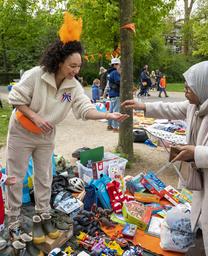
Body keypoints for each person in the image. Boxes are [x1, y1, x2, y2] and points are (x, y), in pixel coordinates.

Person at [6, 12, 128, 239]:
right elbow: (15, 98)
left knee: (45, 176)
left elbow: (84, 108)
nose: (76, 71)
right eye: (72, 65)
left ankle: (42, 217)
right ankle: (11, 219)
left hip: (45, 136)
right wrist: (35, 116)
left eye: (79, 66)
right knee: (16, 176)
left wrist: (107, 116)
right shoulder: (36, 75)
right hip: (21, 132)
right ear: (60, 61)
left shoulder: (73, 86)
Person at [122, 61, 208, 256]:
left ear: (205, 84)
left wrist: (197, 153)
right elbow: (175, 109)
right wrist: (142, 106)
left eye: (188, 88)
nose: (185, 92)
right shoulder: (204, 101)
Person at [107, 57, 121, 132]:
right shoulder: (115, 72)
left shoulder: (109, 73)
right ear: (115, 65)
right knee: (116, 111)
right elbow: (118, 81)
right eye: (119, 64)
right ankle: (115, 127)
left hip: (112, 94)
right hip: (116, 94)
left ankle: (109, 125)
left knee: (111, 111)